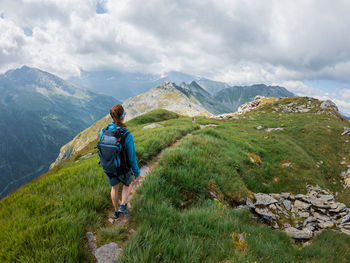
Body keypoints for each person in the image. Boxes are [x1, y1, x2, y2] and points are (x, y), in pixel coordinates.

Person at [100, 104, 140, 218]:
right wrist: (136, 173)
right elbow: (132, 158)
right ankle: (123, 205)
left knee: (114, 187)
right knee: (129, 183)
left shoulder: (103, 131)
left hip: (109, 167)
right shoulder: (127, 135)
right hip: (123, 168)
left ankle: (116, 211)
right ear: (123, 116)